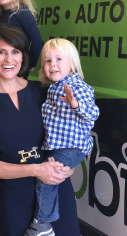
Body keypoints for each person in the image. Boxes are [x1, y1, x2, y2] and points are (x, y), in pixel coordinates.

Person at [0, 23, 81, 236]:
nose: (9, 60)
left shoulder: (43, 91)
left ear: (23, 56)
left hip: (56, 191)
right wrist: (36, 169)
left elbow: (70, 136)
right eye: (1, 52)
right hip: (15, 198)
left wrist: (68, 168)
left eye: (15, 52)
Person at [25, 38, 100, 236]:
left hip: (71, 147)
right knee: (52, 179)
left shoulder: (76, 87)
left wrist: (75, 104)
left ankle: (42, 225)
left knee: (47, 179)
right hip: (60, 146)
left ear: (72, 64)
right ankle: (47, 221)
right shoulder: (54, 86)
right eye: (48, 61)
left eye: (59, 59)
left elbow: (93, 113)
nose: (53, 64)